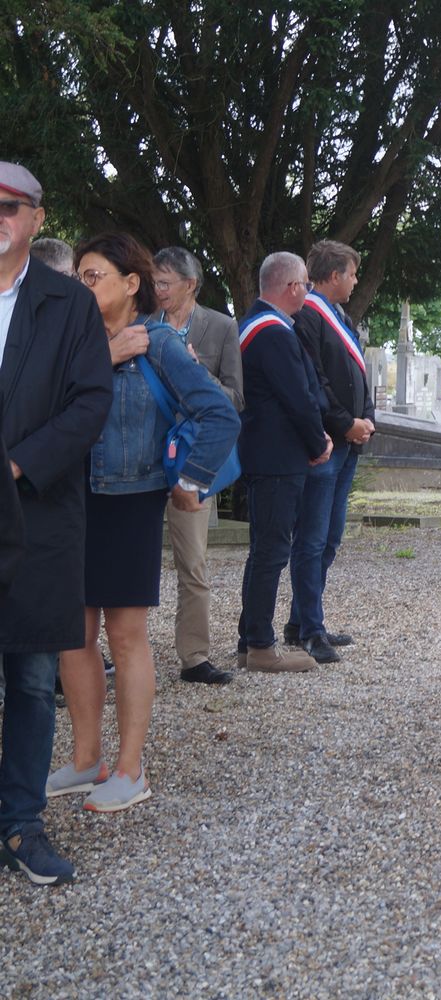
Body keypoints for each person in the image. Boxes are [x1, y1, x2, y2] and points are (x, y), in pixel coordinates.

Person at [50, 232, 238, 815]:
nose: (81, 286)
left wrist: (191, 481)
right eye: (78, 276)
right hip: (69, 500)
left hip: (129, 501)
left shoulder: (159, 342)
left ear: (132, 284)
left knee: (125, 637)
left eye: (93, 276)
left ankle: (130, 769)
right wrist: (102, 359)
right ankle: (87, 759)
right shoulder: (74, 342)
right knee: (74, 635)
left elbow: (219, 413)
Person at [0, 162, 113, 885]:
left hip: (37, 513)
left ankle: (20, 824)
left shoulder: (69, 304)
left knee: (35, 679)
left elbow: (90, 401)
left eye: (10, 206)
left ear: (37, 218)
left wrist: (17, 465)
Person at [236, 252, 332, 673]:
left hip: (266, 453)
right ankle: (259, 644)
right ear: (292, 287)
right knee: (272, 552)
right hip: (277, 456)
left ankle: (250, 638)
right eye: (306, 284)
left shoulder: (254, 324)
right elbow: (298, 398)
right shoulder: (273, 332)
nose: (308, 291)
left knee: (264, 550)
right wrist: (318, 442)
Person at [153, 246, 245, 685]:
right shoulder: (142, 324)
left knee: (193, 564)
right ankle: (105, 652)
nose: (158, 290)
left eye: (165, 282)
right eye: (154, 282)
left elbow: (236, 399)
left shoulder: (222, 327)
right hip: (141, 457)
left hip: (190, 462)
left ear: (191, 284)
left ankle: (194, 657)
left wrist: (197, 375)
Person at [287, 240, 375, 662]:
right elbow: (315, 381)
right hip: (325, 444)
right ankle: (311, 628)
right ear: (334, 275)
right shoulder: (308, 315)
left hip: (349, 442)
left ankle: (301, 620)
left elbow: (358, 372)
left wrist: (367, 417)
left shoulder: (341, 316)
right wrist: (344, 423)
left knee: (330, 537)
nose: (356, 281)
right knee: (312, 538)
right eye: (352, 274)